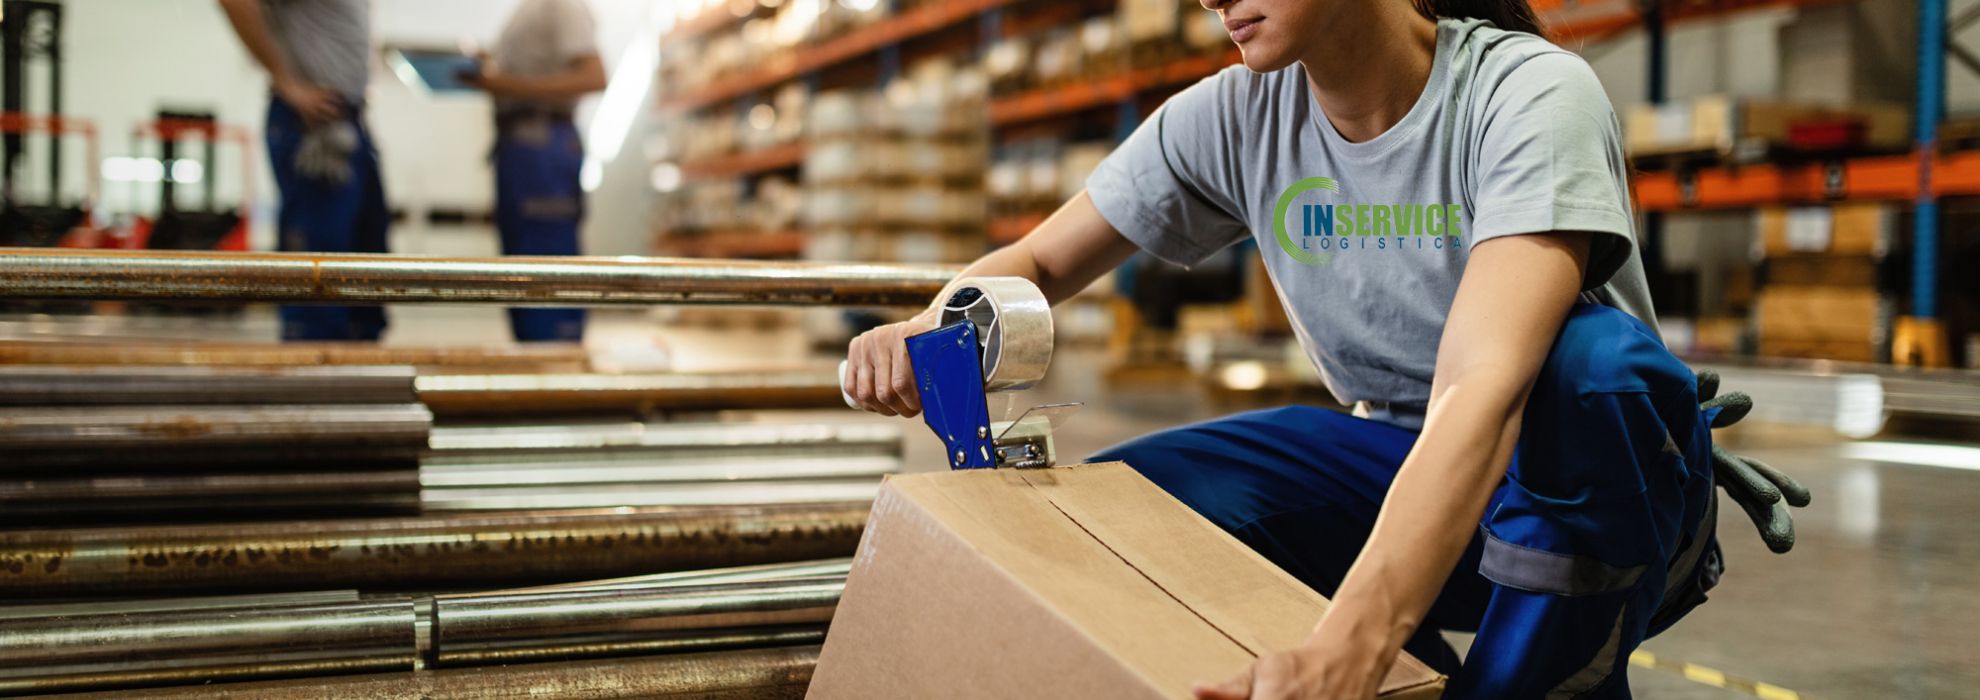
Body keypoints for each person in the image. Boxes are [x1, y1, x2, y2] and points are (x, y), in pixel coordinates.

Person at [841, 0, 1809, 697]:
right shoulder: (1234, 114)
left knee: (1592, 370)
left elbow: (1484, 386)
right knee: (1126, 512)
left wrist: (1356, 637)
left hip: (1587, 487)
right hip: (1401, 463)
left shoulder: (1528, 92)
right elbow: (1042, 261)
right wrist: (934, 324)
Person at [219, 0, 389, 341]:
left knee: (365, 274)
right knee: (319, 278)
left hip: (347, 122)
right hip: (313, 126)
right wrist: (287, 83)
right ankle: (312, 364)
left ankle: (359, 365)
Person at [462, 0, 607, 343]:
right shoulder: (528, 9)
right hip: (522, 146)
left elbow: (594, 76)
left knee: (545, 262)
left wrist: (504, 84)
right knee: (523, 265)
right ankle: (536, 358)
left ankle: (556, 361)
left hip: (542, 144)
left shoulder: (561, 5)